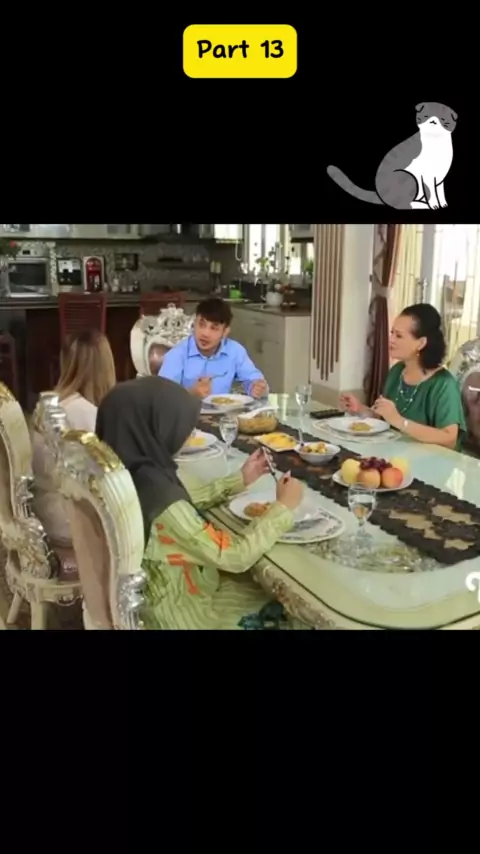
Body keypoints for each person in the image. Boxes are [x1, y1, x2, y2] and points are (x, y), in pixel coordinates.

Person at [96, 376, 309, 630]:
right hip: (185, 615)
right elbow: (235, 555)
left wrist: (239, 480)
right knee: (295, 611)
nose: (189, 434)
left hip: (161, 596)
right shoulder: (162, 501)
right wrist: (283, 507)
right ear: (155, 429)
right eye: (180, 426)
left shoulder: (131, 477)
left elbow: (183, 502)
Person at [340, 303, 466, 450]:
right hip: (397, 454)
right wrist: (360, 409)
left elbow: (449, 439)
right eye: (392, 332)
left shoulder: (444, 384)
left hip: (432, 461)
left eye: (399, 335)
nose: (391, 339)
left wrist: (400, 422)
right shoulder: (397, 371)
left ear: (421, 343)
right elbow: (386, 420)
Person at [32, 329, 116, 544]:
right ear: (106, 366)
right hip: (71, 520)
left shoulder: (50, 404)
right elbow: (110, 478)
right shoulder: (87, 413)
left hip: (43, 510)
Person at [158, 297, 268, 399]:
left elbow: (256, 381)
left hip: (224, 412)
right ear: (194, 324)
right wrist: (192, 393)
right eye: (201, 325)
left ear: (225, 332)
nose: (205, 334)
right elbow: (162, 397)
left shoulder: (235, 351)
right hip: (186, 412)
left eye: (214, 328)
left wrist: (257, 388)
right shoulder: (177, 354)